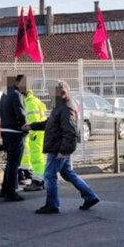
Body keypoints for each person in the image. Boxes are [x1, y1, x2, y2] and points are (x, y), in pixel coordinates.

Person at [24, 81, 100, 214]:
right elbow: (50, 123)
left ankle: (52, 204)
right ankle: (90, 196)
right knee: (67, 173)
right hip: (59, 147)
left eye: (52, 92)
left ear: (62, 93)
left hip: (58, 148)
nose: (49, 95)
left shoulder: (66, 108)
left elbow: (70, 131)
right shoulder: (61, 106)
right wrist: (33, 126)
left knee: (49, 175)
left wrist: (63, 151)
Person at [0, 75, 28, 202]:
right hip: (15, 132)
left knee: (10, 162)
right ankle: (11, 191)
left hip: (5, 130)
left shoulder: (4, 95)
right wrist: (24, 127)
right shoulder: (16, 95)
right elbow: (20, 114)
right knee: (14, 163)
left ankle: (5, 189)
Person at [23, 89, 47, 192]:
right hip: (39, 133)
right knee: (38, 157)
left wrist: (30, 133)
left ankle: (38, 181)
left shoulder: (30, 103)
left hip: (36, 134)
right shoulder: (35, 100)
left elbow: (33, 120)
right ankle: (40, 180)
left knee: (36, 158)